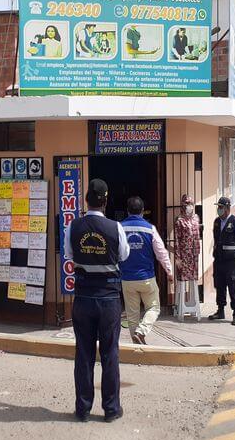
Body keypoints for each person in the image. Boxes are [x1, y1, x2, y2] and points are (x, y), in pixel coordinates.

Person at [64, 178, 130, 423]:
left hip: (83, 298)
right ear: (105, 201)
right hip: (109, 299)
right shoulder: (116, 228)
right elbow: (124, 254)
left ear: (86, 200)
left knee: (84, 354)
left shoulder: (74, 227)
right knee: (110, 354)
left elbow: (69, 254)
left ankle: (83, 409)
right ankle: (111, 409)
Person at [119, 196, 173, 345]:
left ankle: (137, 345)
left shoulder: (119, 228)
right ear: (143, 211)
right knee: (154, 307)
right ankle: (141, 332)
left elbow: (115, 253)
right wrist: (169, 271)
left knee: (132, 315)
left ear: (128, 211)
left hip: (127, 278)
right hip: (146, 278)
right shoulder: (150, 229)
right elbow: (161, 252)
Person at [208, 197, 235, 326]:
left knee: (233, 286)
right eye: (218, 207)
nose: (219, 210)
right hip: (219, 260)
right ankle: (220, 310)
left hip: (231, 262)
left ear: (228, 208)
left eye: (221, 207)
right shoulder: (216, 222)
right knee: (220, 285)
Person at [174, 194, 201, 282]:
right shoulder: (179, 220)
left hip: (194, 254)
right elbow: (177, 240)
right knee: (182, 280)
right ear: (183, 205)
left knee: (194, 280)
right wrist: (177, 257)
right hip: (184, 255)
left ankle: (194, 296)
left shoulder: (196, 218)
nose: (189, 206)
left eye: (191, 204)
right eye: (187, 204)